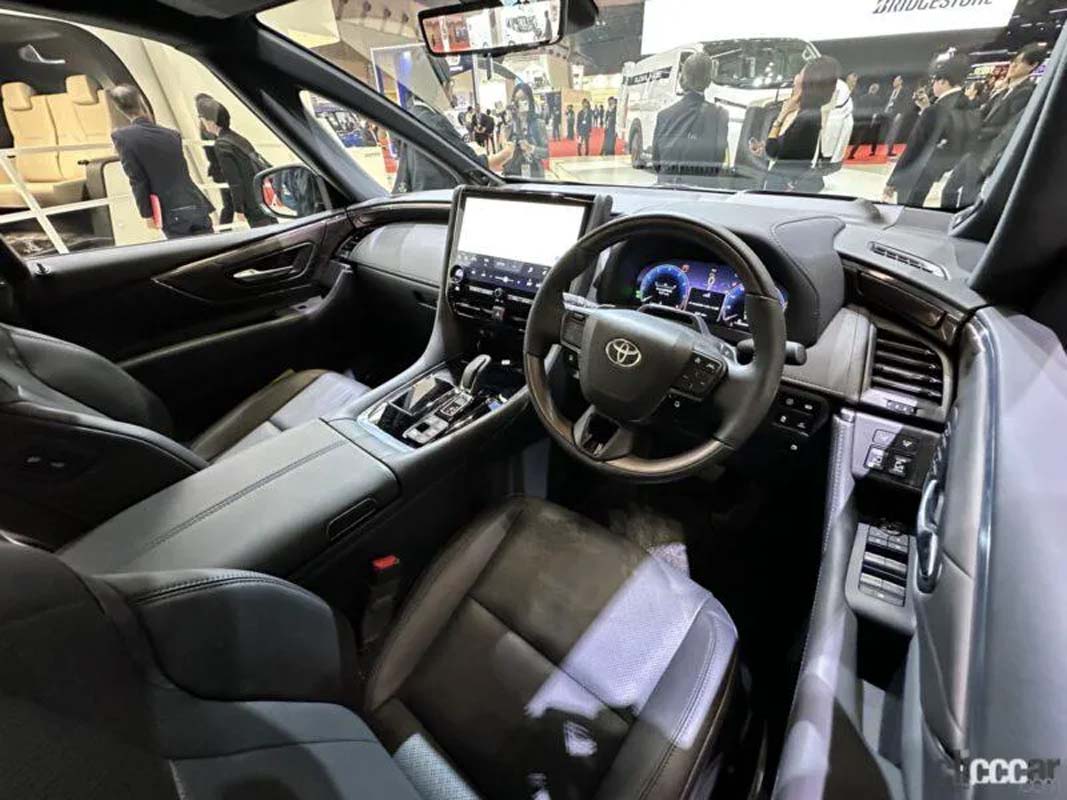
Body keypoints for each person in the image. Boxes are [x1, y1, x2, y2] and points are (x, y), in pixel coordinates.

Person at [943, 44, 1044, 208]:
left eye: (1019, 62)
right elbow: (983, 114)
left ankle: (961, 221)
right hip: (975, 149)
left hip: (987, 152)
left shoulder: (1026, 92)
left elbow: (1010, 128)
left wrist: (979, 132)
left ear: (1033, 65)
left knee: (968, 196)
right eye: (1013, 61)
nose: (1013, 66)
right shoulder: (1005, 89)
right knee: (949, 189)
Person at [108, 84, 213, 238]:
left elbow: (137, 179)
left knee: (186, 251)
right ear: (141, 101)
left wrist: (147, 213)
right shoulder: (172, 134)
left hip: (170, 210)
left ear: (118, 107)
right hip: (196, 203)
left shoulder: (122, 137)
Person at [883, 55, 975, 207]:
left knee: (907, 208)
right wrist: (926, 109)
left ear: (943, 81)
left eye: (935, 81)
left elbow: (914, 147)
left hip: (917, 171)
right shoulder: (968, 104)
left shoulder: (935, 111)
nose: (933, 86)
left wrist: (892, 181)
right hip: (938, 167)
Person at [750, 56, 839, 193]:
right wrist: (764, 147)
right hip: (785, 183)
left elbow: (773, 151)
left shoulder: (806, 119)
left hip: (783, 188)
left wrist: (781, 115)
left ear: (808, 84)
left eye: (800, 74)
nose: (795, 77)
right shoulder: (810, 113)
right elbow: (789, 148)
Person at [393, 70, 482, 193]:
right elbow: (472, 165)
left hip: (420, 194)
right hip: (439, 196)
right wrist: (505, 154)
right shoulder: (434, 122)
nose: (452, 93)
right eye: (451, 85)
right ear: (442, 86)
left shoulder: (413, 114)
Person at [195, 95, 275, 229]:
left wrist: (239, 208)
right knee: (273, 227)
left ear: (211, 122)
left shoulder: (221, 145)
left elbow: (234, 181)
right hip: (260, 193)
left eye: (202, 119)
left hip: (250, 200)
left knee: (264, 231)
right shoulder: (238, 138)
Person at [650, 53, 729, 187]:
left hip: (667, 189)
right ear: (709, 80)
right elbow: (717, 162)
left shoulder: (663, 115)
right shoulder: (720, 115)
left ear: (683, 77)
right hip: (702, 191)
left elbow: (656, 162)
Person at [489, 83, 549, 178]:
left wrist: (531, 148)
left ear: (530, 100)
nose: (520, 102)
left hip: (534, 174)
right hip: (512, 174)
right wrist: (505, 142)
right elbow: (501, 154)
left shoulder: (538, 123)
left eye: (524, 98)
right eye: (516, 100)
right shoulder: (508, 126)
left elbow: (546, 153)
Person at [848, 82, 883, 159]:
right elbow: (878, 111)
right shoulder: (878, 99)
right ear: (876, 90)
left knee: (859, 137)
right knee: (874, 136)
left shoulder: (862, 97)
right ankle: (873, 151)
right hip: (871, 120)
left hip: (861, 119)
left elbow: (857, 108)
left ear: (870, 89)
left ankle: (852, 153)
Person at [879, 75, 910, 157]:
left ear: (900, 81)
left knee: (893, 132)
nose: (894, 82)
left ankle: (889, 150)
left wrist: (900, 114)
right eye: (894, 81)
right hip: (888, 113)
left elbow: (905, 104)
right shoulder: (891, 91)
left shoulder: (904, 91)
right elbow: (888, 101)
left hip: (897, 114)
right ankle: (885, 148)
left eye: (896, 81)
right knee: (887, 132)